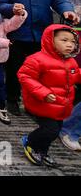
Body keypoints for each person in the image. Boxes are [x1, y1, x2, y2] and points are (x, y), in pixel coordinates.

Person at [0, 0, 79, 116]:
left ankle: (35, 101)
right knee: (15, 69)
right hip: (17, 34)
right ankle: (12, 98)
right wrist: (12, 8)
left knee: (42, 72)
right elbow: (0, 4)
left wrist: (66, 9)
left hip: (43, 35)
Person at [18, 24, 80, 167]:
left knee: (55, 131)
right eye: (64, 40)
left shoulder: (70, 61)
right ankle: (30, 142)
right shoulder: (37, 59)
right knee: (50, 129)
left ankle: (42, 151)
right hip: (42, 103)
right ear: (50, 40)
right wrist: (43, 93)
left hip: (60, 105)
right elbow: (25, 76)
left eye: (72, 41)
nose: (69, 44)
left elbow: (75, 76)